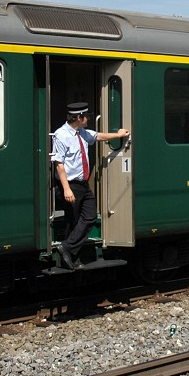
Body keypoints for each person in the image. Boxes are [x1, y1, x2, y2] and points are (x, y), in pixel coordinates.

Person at [51, 101, 130, 269]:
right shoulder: (61, 135)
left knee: (90, 216)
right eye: (86, 116)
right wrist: (66, 189)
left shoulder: (81, 132)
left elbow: (98, 136)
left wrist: (118, 135)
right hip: (70, 184)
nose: (88, 119)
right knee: (72, 221)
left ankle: (66, 248)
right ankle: (72, 258)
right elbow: (59, 165)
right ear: (79, 118)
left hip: (83, 183)